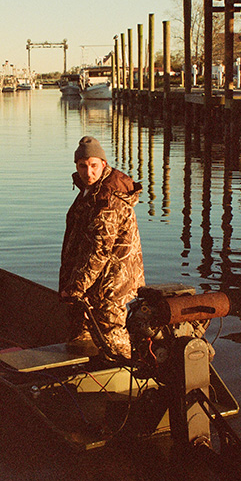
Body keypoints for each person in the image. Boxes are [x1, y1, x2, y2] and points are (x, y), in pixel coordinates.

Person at [59, 136, 144, 358]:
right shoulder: (91, 191)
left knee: (111, 335)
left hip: (111, 282)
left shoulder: (107, 199)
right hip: (93, 280)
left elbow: (99, 250)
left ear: (104, 164)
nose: (88, 173)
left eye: (94, 166)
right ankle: (86, 374)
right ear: (76, 166)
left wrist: (77, 286)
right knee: (81, 332)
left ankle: (127, 379)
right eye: (83, 166)